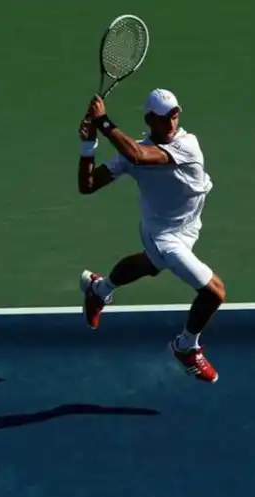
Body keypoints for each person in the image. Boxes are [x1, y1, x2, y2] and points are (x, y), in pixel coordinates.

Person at [76, 88, 226, 383]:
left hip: (189, 226)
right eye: (163, 116)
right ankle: (186, 346)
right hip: (162, 234)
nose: (171, 121)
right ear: (149, 120)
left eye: (174, 114)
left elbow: (138, 155)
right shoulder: (133, 152)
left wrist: (102, 121)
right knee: (214, 292)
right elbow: (88, 185)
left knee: (150, 265)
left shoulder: (187, 144)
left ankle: (99, 289)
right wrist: (88, 143)